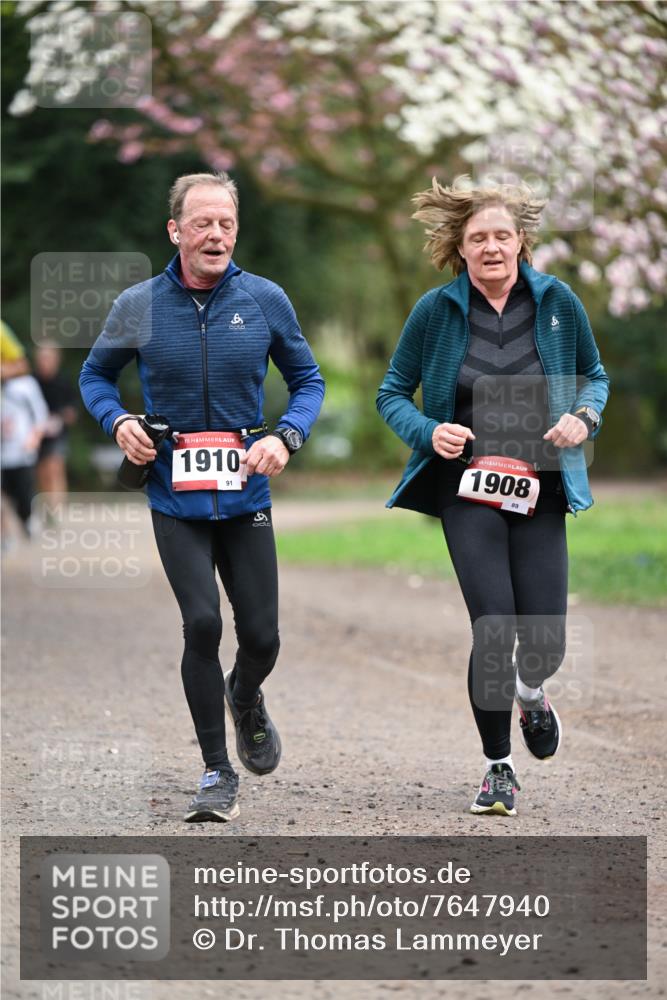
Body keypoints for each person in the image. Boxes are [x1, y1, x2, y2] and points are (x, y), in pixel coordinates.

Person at [80, 171, 325, 822]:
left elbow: (307, 380)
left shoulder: (266, 299)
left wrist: (287, 436)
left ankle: (244, 697)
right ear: (175, 231)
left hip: (246, 495)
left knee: (264, 638)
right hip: (173, 495)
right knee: (204, 624)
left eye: (226, 223)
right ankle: (217, 771)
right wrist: (120, 422)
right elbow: (95, 377)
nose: (215, 234)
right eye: (202, 223)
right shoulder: (139, 305)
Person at [377, 176, 609, 817]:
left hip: (540, 487)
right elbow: (391, 391)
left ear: (522, 242)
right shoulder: (435, 312)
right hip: (467, 489)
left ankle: (532, 693)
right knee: (492, 628)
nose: (491, 247)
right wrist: (429, 430)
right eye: (478, 237)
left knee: (544, 642)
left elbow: (594, 376)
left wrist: (583, 418)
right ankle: (496, 767)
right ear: (460, 247)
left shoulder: (559, 303)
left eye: (502, 235)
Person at [1, 327, 49, 541]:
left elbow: (40, 414)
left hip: (21, 449)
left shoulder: (25, 385)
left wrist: (34, 438)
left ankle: (28, 520)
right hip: (3, 451)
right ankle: (5, 534)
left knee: (22, 491)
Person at [34, 343, 79, 497]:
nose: (44, 362)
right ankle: (47, 505)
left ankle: (57, 506)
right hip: (37, 433)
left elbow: (73, 412)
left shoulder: (64, 382)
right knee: (41, 471)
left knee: (55, 467)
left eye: (48, 358)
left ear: (56, 360)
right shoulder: (32, 381)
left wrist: (60, 418)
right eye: (42, 358)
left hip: (58, 433)